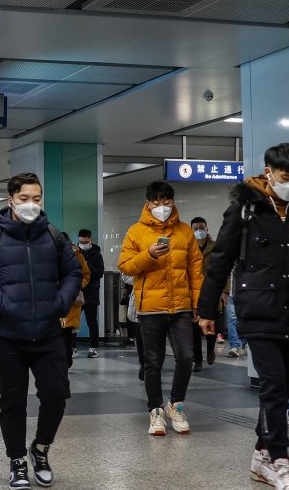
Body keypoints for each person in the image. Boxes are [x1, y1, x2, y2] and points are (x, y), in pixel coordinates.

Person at [197, 143, 289, 490]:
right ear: (268, 172)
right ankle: (280, 460)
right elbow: (220, 260)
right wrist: (206, 310)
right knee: (274, 384)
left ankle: (261, 455)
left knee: (283, 386)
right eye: (286, 177)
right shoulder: (244, 209)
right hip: (258, 308)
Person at [0, 172, 82, 489]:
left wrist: (60, 302)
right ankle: (17, 461)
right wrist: (2, 303)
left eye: (36, 198)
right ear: (11, 200)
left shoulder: (53, 236)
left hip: (48, 332)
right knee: (12, 402)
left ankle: (40, 449)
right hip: (8, 337)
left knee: (56, 394)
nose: (31, 204)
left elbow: (73, 272)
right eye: (24, 198)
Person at [118, 181, 205, 436]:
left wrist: (198, 303)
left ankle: (176, 405)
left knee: (186, 358)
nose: (161, 205)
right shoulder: (136, 231)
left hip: (181, 307)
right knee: (152, 362)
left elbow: (196, 271)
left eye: (166, 200)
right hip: (151, 308)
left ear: (173, 201)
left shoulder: (185, 231)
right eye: (156, 201)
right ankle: (155, 410)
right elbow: (125, 266)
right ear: (148, 203)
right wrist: (149, 254)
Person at [189, 216, 219, 372]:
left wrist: (225, 291)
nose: (199, 231)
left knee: (211, 325)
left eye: (201, 228)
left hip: (211, 291)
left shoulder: (216, 247)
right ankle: (197, 360)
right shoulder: (188, 248)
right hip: (193, 293)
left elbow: (223, 270)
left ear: (207, 228)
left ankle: (210, 348)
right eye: (195, 229)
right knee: (194, 328)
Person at [60, 238, 91, 370]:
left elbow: (86, 274)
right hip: (54, 299)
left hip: (71, 300)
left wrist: (76, 286)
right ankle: (61, 362)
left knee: (67, 332)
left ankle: (66, 361)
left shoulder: (77, 256)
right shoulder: (49, 255)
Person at [75, 229, 104, 358]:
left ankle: (94, 347)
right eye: (81, 242)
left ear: (90, 240)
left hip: (91, 292)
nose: (83, 244)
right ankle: (72, 347)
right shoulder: (75, 253)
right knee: (73, 321)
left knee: (92, 321)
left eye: (85, 242)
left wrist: (87, 265)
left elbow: (99, 273)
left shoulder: (97, 254)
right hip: (78, 291)